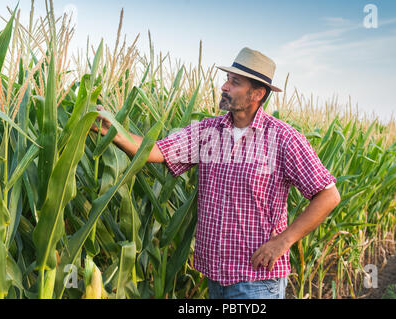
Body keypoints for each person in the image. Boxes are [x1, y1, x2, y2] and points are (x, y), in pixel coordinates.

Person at [93, 47, 341, 299]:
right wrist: (112, 130)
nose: (224, 86)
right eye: (227, 80)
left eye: (234, 82)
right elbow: (156, 150)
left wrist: (283, 241)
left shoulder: (283, 138)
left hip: (256, 282)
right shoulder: (208, 131)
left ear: (257, 93)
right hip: (215, 278)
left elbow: (328, 196)